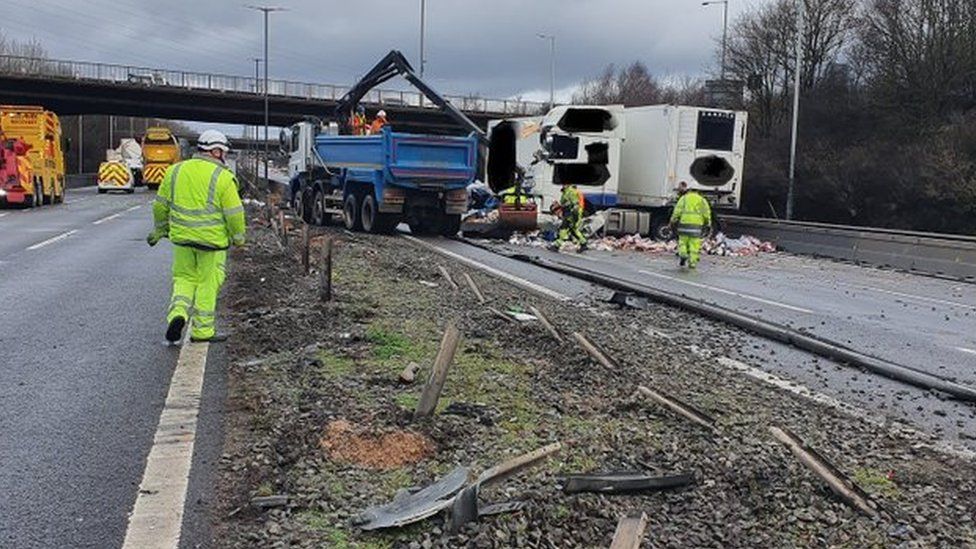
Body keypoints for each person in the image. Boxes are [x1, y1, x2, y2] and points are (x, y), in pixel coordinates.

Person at [147, 129, 246, 343]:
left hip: (182, 241)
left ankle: (178, 315)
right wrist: (238, 237)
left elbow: (159, 206)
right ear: (216, 151)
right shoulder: (223, 177)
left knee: (183, 280)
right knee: (207, 284)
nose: (224, 157)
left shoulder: (174, 171)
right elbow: (234, 213)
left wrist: (161, 229)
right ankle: (202, 331)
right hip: (212, 244)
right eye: (223, 152)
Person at [669, 181, 712, 269]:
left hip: (684, 225)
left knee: (682, 242)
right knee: (694, 245)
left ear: (689, 189)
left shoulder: (684, 199)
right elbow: (706, 213)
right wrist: (708, 223)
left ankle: (683, 254)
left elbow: (677, 211)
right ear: (698, 190)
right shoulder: (702, 200)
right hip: (696, 226)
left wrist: (672, 220)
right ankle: (692, 263)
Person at [552, 183, 587, 252]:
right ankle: (584, 243)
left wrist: (575, 215)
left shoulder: (570, 191)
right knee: (573, 230)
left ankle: (557, 245)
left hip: (571, 214)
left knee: (564, 228)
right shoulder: (566, 191)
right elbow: (565, 203)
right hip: (569, 213)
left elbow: (575, 204)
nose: (563, 185)